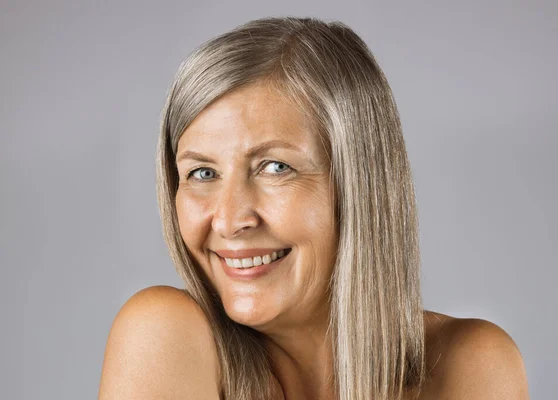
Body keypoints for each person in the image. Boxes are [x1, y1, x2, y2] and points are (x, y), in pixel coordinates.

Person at [99, 16, 529, 399]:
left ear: (359, 182)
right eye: (202, 173)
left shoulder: (473, 363)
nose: (229, 220)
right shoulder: (161, 333)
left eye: (274, 167)